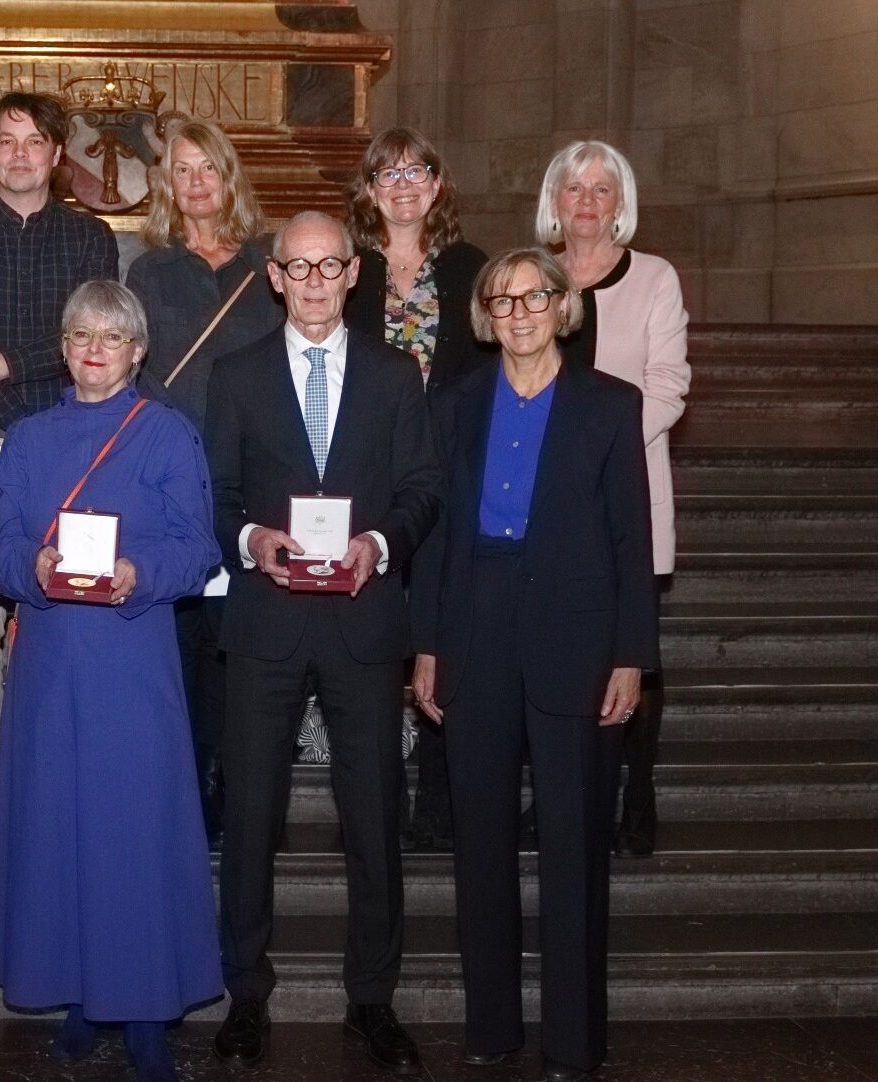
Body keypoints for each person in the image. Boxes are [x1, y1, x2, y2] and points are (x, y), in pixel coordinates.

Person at [409, 247, 659, 1081]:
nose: (517, 312)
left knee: (574, 842)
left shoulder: (610, 406)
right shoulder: (457, 404)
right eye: (501, 299)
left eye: (533, 297)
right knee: (480, 840)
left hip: (576, 639)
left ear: (562, 305)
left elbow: (632, 538)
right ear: (484, 314)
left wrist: (632, 656)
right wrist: (429, 645)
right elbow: (439, 538)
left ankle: (573, 1039)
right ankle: (491, 1027)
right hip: (475, 627)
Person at [204, 211, 442, 1074]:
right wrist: (251, 543)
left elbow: (421, 489)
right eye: (296, 267)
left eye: (328, 266)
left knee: (375, 819)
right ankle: (245, 997)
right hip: (265, 623)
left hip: (363, 622)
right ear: (274, 277)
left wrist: (376, 548)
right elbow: (220, 495)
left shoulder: (394, 377)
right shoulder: (234, 377)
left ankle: (371, 1001)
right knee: (252, 817)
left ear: (352, 274)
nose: (312, 281)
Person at [0, 281, 222, 1081]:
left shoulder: (168, 436)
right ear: (63, 344)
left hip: (131, 658)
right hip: (50, 665)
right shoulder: (29, 438)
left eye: (111, 338)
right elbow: (0, 547)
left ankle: (147, 1008)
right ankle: (79, 996)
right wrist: (32, 566)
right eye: (81, 334)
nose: (93, 348)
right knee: (61, 833)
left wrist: (138, 572)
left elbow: (199, 549)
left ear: (137, 350)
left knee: (133, 835)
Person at [0, 91, 120, 802]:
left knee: (59, 622)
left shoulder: (91, 239)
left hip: (63, 450)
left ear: (57, 155)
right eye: (5, 142)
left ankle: (54, 784)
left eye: (34, 141)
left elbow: (91, 342)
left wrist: (2, 365)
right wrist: (28, 366)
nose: (19, 154)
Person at [125, 118, 284, 843]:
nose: (195, 183)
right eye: (181, 170)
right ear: (166, 183)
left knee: (239, 643)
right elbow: (138, 373)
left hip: (252, 478)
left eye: (207, 168)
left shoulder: (268, 264)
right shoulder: (150, 270)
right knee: (181, 639)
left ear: (229, 176)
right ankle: (182, 783)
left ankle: (233, 780)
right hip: (173, 477)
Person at [538, 139, 690, 857]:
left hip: (626, 493)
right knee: (554, 650)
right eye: (575, 189)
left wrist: (598, 453)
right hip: (545, 503)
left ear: (621, 204)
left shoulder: (655, 277)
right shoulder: (532, 277)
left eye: (603, 189)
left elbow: (668, 385)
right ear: (555, 203)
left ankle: (639, 790)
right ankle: (562, 794)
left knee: (632, 649)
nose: (588, 202)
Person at [341, 126, 490, 853]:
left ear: (437, 185)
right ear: (370, 190)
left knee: (445, 637)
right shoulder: (347, 270)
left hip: (454, 473)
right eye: (387, 173)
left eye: (416, 171)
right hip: (369, 478)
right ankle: (369, 804)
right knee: (372, 646)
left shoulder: (471, 268)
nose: (402, 184)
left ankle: (438, 801)